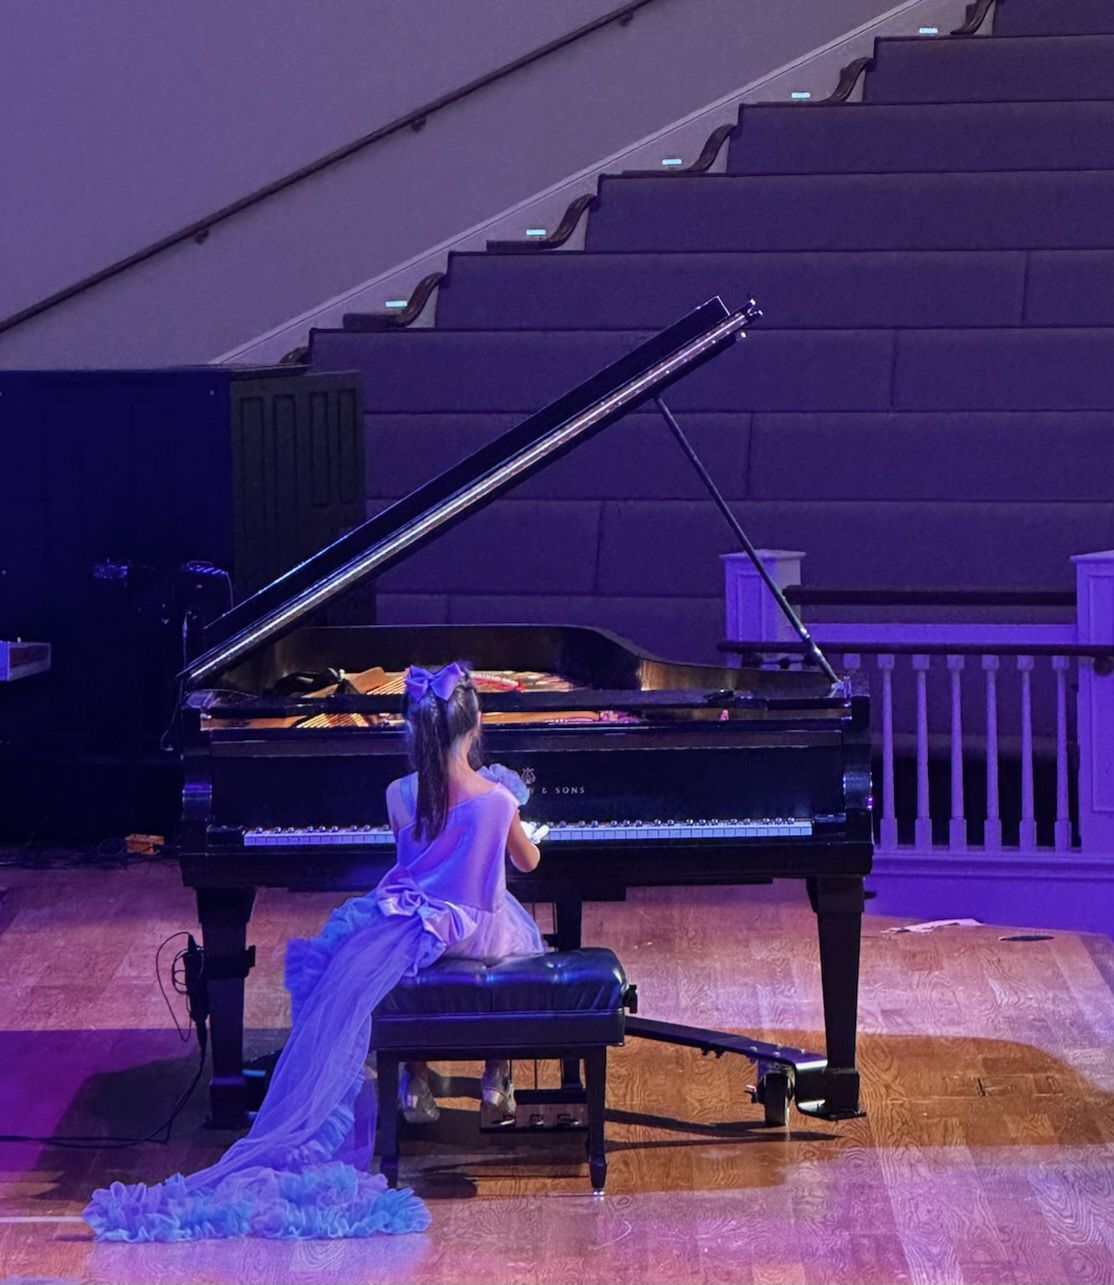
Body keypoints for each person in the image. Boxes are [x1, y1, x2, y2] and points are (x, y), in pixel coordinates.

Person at [83, 660, 544, 1242]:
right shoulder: (499, 799)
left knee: (352, 970)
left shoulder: (399, 794)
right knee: (524, 942)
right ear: (475, 729)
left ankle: (416, 1080)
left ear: (413, 731)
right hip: (474, 932)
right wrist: (512, 817)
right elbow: (528, 863)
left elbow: (413, 862)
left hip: (407, 923)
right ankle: (495, 1075)